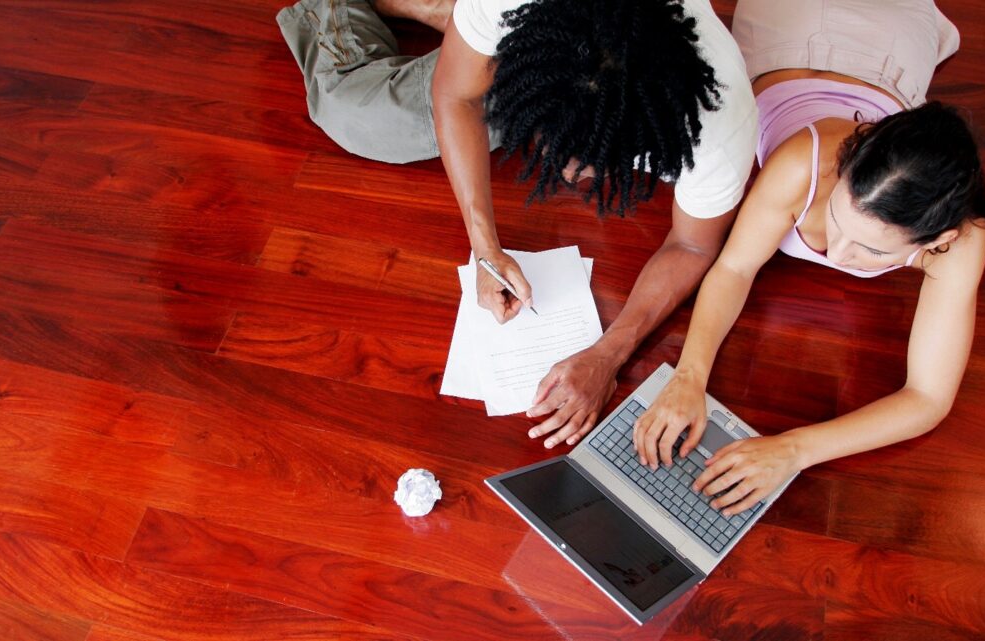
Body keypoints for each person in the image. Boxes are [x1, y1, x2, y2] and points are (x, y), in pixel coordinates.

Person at [277, 0, 758, 447]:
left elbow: (693, 247)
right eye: (551, 146)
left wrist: (608, 354)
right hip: (520, 37)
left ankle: (453, 17)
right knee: (358, 113)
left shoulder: (719, 118)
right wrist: (484, 245)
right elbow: (456, 96)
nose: (569, 176)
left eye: (591, 165)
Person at [632, 0, 985, 516]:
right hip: (790, 26)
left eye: (870, 250)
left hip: (888, 39)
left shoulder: (961, 240)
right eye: (837, 218)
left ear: (935, 243)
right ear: (845, 165)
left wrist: (794, 449)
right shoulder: (804, 161)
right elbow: (734, 268)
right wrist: (688, 376)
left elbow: (928, 398)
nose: (837, 253)